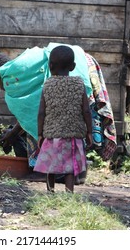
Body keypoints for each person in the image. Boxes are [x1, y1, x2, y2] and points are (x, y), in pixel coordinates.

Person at [33, 46, 92, 193]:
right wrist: (89, 132)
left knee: (50, 165)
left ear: (50, 65)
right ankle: (69, 192)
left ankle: (50, 190)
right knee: (70, 166)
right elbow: (86, 110)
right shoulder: (79, 84)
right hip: (72, 134)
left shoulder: (48, 85)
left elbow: (41, 112)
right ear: (73, 67)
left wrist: (40, 133)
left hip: (52, 134)